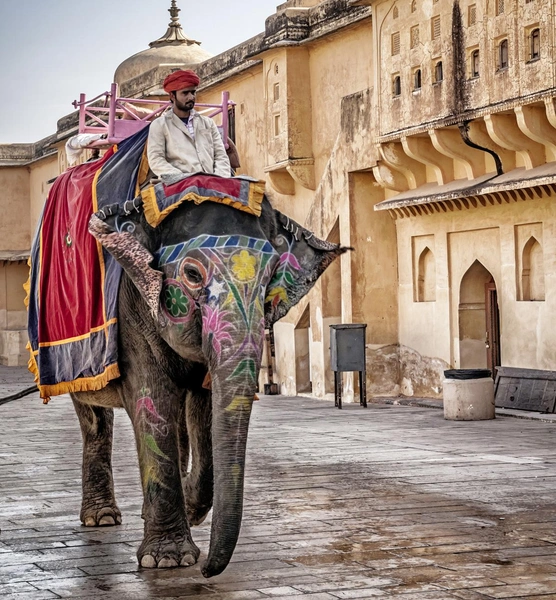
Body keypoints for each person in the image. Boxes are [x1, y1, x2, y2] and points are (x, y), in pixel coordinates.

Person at [147, 69, 231, 179]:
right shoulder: (159, 125)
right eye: (185, 93)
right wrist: (181, 178)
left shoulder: (208, 123)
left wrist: (220, 179)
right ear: (172, 96)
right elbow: (156, 159)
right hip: (178, 184)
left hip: (212, 182)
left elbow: (221, 156)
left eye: (193, 92)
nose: (191, 97)